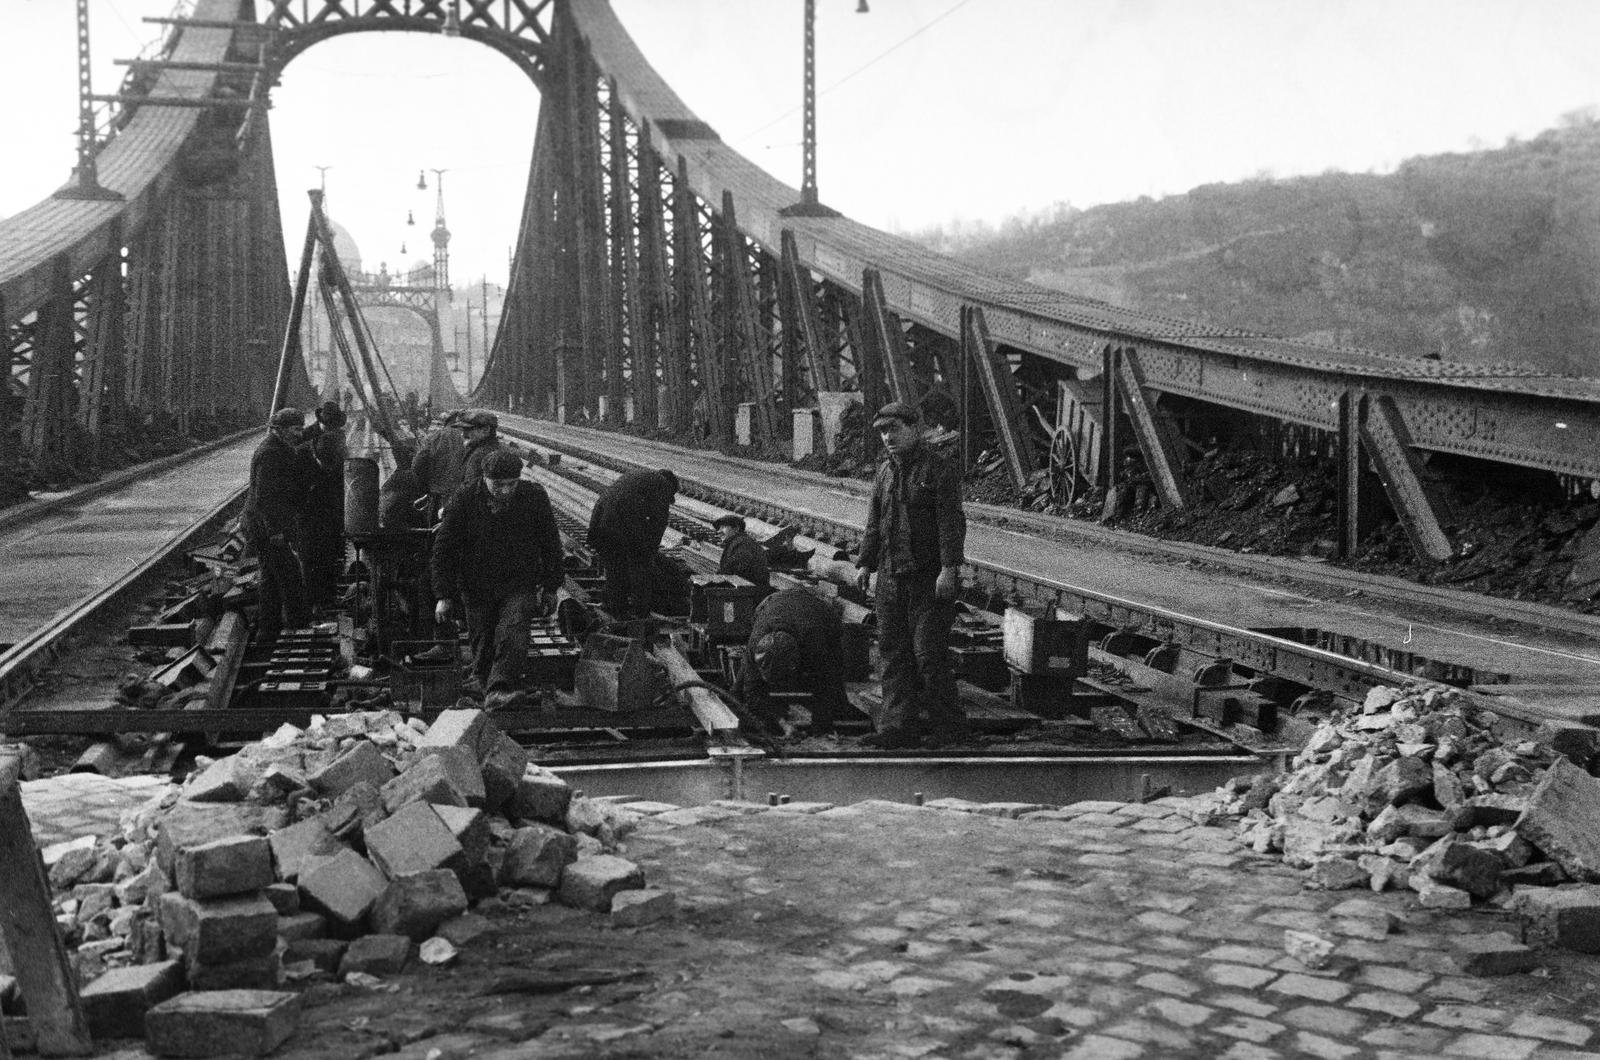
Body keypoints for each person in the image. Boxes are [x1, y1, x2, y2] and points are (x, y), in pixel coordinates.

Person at [855, 401, 969, 748]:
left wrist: (949, 569)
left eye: (895, 429)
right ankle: (897, 728)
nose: (888, 437)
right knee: (892, 652)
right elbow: (875, 521)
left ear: (914, 428)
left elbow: (951, 523)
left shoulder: (939, 469)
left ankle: (949, 730)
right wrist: (865, 562)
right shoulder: (885, 472)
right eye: (883, 432)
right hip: (891, 577)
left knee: (928, 655)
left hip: (927, 578)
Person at [430, 450, 565, 706]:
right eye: (498, 485)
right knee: (482, 641)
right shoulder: (465, 498)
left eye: (511, 484)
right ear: (484, 478)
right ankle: (484, 685)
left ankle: (500, 688)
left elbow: (550, 543)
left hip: (518, 582)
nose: (505, 490)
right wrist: (443, 595)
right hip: (476, 584)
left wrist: (551, 587)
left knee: (513, 630)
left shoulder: (533, 497)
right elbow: (444, 548)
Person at [733, 588, 850, 736]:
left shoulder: (815, 645)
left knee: (833, 682)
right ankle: (736, 717)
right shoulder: (755, 643)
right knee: (740, 688)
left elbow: (826, 688)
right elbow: (752, 691)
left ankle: (830, 726)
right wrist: (783, 723)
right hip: (772, 602)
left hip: (821, 614)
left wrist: (820, 730)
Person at [243, 407, 313, 643]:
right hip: (268, 528)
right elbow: (265, 497)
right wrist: (276, 531)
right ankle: (299, 627)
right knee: (289, 576)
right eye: (295, 429)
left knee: (271, 580)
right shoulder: (271, 454)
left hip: (264, 526)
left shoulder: (277, 448)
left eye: (301, 428)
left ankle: (267, 633)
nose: (299, 434)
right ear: (280, 430)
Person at [586, 468, 678, 619]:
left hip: (599, 521)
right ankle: (640, 613)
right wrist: (650, 551)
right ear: (671, 487)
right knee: (640, 566)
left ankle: (616, 609)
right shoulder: (663, 485)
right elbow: (659, 522)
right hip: (621, 521)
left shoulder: (637, 477)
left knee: (615, 567)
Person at [298, 401, 347, 610]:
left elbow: (340, 469)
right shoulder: (305, 441)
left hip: (330, 503)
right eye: (329, 425)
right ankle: (314, 600)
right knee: (311, 555)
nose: (332, 429)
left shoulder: (338, 437)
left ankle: (328, 595)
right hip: (310, 507)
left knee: (330, 550)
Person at [411, 409, 467, 520]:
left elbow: (418, 464)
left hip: (437, 495)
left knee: (434, 530)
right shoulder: (470, 439)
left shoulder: (434, 437)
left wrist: (425, 487)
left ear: (446, 422)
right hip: (462, 497)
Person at [712, 513, 770, 594]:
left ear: (736, 528)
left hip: (750, 594)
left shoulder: (743, 544)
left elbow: (733, 569)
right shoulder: (738, 542)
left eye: (723, 527)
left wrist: (714, 578)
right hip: (746, 590)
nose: (719, 531)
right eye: (719, 528)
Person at [453, 409, 508, 489]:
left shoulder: (480, 455)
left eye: (468, 430)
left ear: (485, 430)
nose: (463, 435)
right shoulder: (493, 448)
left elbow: (469, 490)